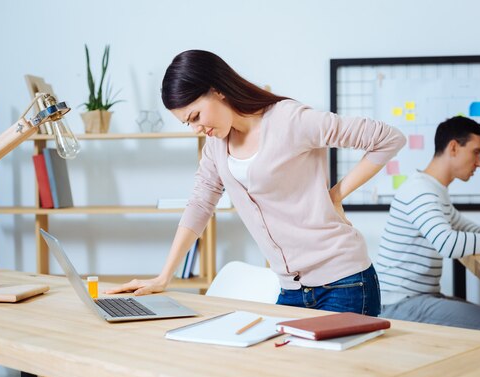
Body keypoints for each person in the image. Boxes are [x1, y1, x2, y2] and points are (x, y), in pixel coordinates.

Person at [106, 50, 406, 316]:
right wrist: (163, 277)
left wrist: (336, 194)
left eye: (196, 115)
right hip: (291, 290)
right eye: (188, 123)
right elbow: (199, 204)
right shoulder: (216, 144)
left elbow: (389, 139)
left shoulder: (289, 120)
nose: (197, 128)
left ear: (217, 90)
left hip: (345, 283)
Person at [376, 116, 480, 333]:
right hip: (398, 304)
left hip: (415, 298)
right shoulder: (420, 190)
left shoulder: (433, 190)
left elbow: (461, 226)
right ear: (454, 148)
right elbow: (449, 243)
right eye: (476, 152)